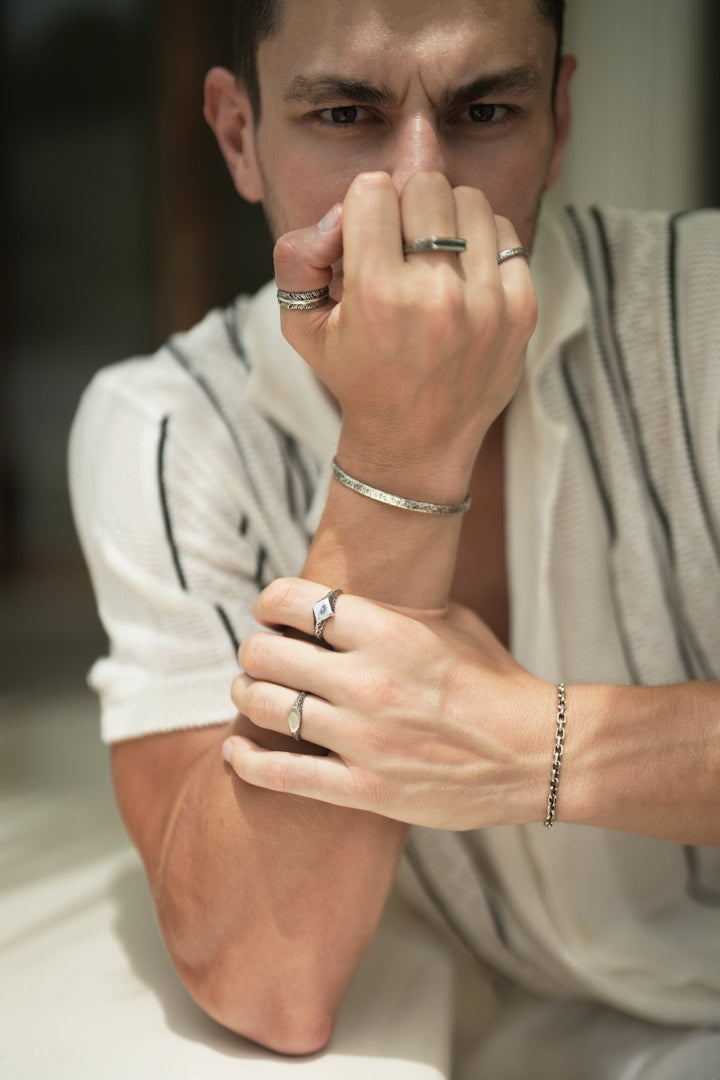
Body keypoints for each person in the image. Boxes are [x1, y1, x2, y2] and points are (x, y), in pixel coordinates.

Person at [69, 0, 720, 1074]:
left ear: (557, 118)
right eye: (343, 114)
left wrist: (540, 749)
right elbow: (265, 979)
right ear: (239, 135)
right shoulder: (168, 430)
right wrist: (404, 444)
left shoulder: (702, 311)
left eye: (486, 109)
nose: (423, 194)